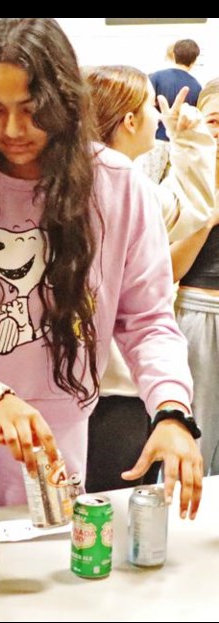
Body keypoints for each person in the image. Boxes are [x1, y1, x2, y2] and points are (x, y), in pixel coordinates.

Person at [0, 18, 203, 524]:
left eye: (32, 111)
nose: (13, 131)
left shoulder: (117, 186)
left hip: (53, 429)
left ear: (66, 103)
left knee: (33, 585)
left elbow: (147, 319)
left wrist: (171, 409)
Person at [85, 65, 215, 491]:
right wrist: (191, 140)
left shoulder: (69, 183)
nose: (156, 118)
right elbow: (195, 210)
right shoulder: (128, 190)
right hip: (120, 383)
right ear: (129, 120)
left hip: (80, 383)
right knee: (113, 507)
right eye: (148, 108)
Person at [171, 80, 219, 475]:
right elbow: (168, 270)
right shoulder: (180, 181)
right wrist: (207, 219)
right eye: (213, 120)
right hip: (196, 314)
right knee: (197, 434)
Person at [150, 39, 202, 141]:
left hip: (156, 138)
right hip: (182, 141)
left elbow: (145, 107)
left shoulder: (156, 77)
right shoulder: (197, 86)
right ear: (195, 60)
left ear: (174, 55)